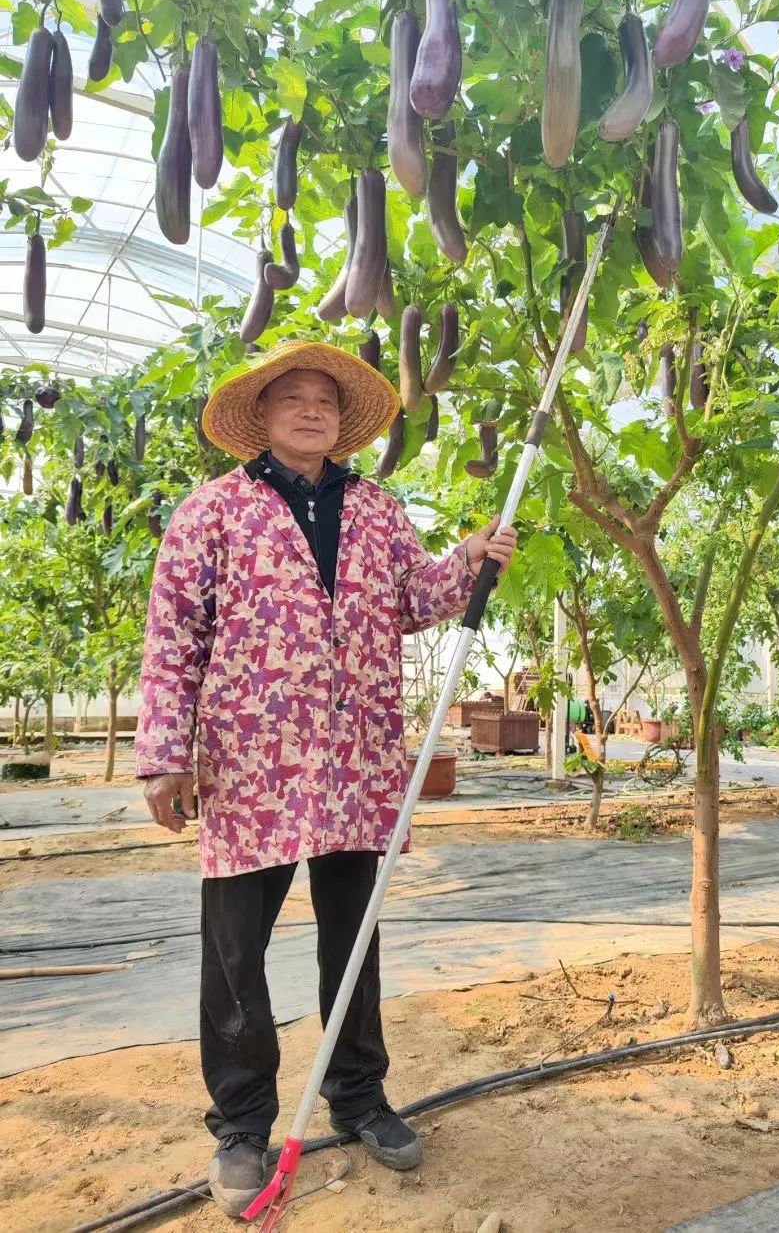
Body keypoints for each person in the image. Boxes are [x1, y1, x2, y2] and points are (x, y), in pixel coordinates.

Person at [134, 340, 517, 1216]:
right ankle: (241, 1123)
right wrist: (163, 754)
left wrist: (470, 557)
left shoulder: (379, 509)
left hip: (357, 762)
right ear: (262, 416)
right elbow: (173, 636)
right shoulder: (214, 511)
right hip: (251, 764)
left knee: (356, 939)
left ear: (342, 421)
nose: (311, 410)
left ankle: (359, 1098)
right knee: (236, 952)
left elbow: (416, 599)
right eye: (292, 398)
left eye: (325, 401)